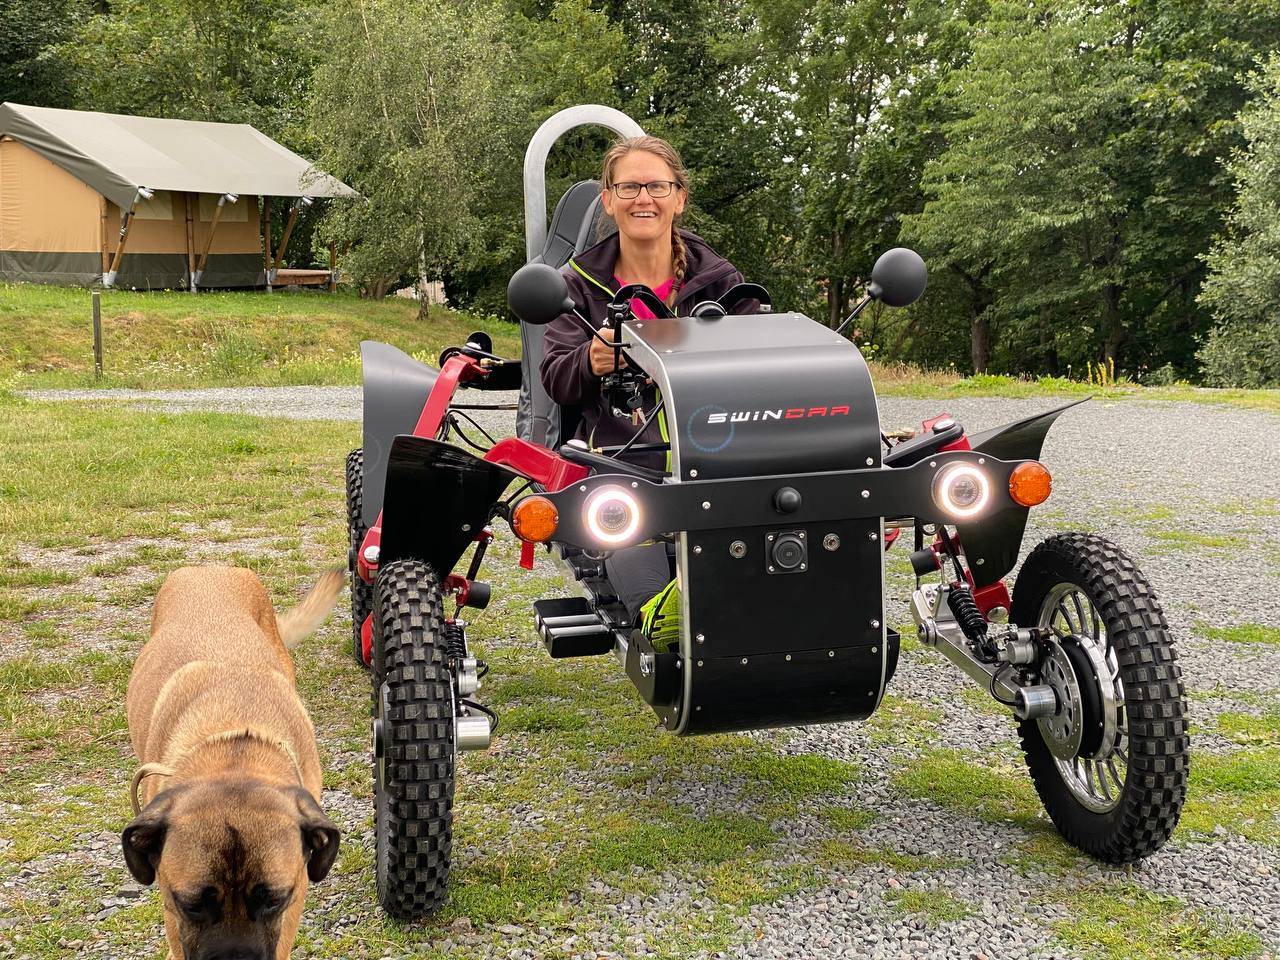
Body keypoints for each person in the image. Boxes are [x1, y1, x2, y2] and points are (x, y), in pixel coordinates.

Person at [539, 135, 752, 632]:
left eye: (657, 186)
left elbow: (759, 364)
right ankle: (665, 620)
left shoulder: (720, 281)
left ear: (679, 197)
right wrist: (592, 359)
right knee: (633, 544)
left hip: (716, 457)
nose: (644, 199)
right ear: (608, 201)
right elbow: (556, 379)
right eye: (629, 187)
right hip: (622, 462)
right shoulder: (577, 287)